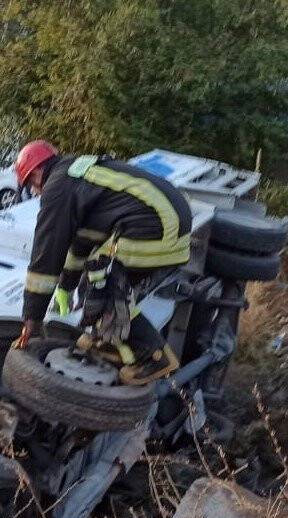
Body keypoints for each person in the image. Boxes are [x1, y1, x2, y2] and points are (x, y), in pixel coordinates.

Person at [13, 140, 192, 386]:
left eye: (30, 185)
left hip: (160, 230)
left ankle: (154, 356)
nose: (34, 192)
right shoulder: (74, 177)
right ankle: (110, 341)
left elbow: (46, 253)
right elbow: (81, 244)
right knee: (96, 279)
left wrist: (32, 317)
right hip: (163, 223)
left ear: (34, 173)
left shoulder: (57, 188)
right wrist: (66, 286)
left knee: (98, 286)